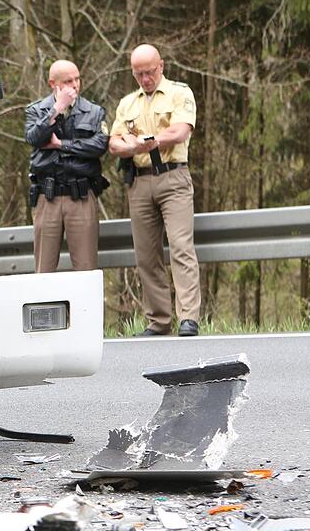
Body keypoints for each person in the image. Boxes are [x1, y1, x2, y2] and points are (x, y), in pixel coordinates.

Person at [108, 44, 200, 337]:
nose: (145, 79)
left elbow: (180, 130)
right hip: (140, 181)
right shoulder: (128, 103)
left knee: (181, 247)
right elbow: (114, 142)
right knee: (146, 254)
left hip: (173, 177)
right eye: (139, 74)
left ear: (161, 66)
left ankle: (188, 317)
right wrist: (130, 147)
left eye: (149, 72)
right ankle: (158, 320)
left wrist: (149, 142)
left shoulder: (179, 93)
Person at [24, 60, 109, 273]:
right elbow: (33, 138)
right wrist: (56, 110)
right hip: (47, 197)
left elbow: (99, 146)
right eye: (68, 81)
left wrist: (61, 145)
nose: (75, 85)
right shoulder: (37, 110)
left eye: (77, 79)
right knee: (44, 270)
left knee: (86, 269)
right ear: (53, 84)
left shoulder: (93, 111)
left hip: (81, 196)